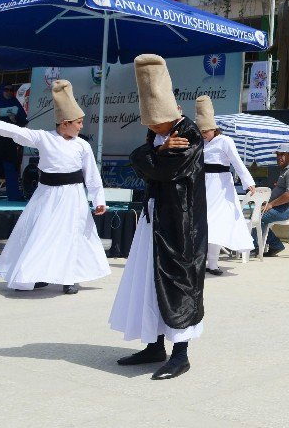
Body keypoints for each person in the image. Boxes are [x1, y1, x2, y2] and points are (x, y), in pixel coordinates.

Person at [110, 54, 207, 380]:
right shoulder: (158, 136)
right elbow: (142, 161)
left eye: (155, 124)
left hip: (181, 224)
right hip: (155, 219)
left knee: (179, 281)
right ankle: (154, 345)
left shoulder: (189, 133)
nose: (150, 129)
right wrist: (154, 151)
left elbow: (161, 171)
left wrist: (153, 156)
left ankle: (181, 354)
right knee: (149, 281)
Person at [0, 81, 108, 294]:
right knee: (41, 234)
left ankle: (68, 277)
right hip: (47, 195)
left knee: (71, 235)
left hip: (73, 196)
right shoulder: (43, 138)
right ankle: (38, 273)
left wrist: (98, 200)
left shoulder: (83, 145)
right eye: (78, 122)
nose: (81, 126)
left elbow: (92, 175)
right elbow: (15, 132)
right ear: (65, 123)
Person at [195, 95, 256, 275]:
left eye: (206, 131)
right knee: (203, 222)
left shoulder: (225, 141)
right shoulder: (200, 143)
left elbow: (237, 162)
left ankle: (212, 263)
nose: (204, 134)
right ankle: (200, 262)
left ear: (214, 128)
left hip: (221, 186)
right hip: (202, 184)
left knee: (216, 223)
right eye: (201, 131)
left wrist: (248, 182)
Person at [257, 143, 289, 258]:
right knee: (256, 213)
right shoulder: (286, 169)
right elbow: (280, 192)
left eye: (282, 155)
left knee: (259, 217)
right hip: (283, 207)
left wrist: (270, 205)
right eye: (278, 155)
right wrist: (267, 202)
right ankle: (266, 245)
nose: (279, 157)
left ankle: (259, 246)